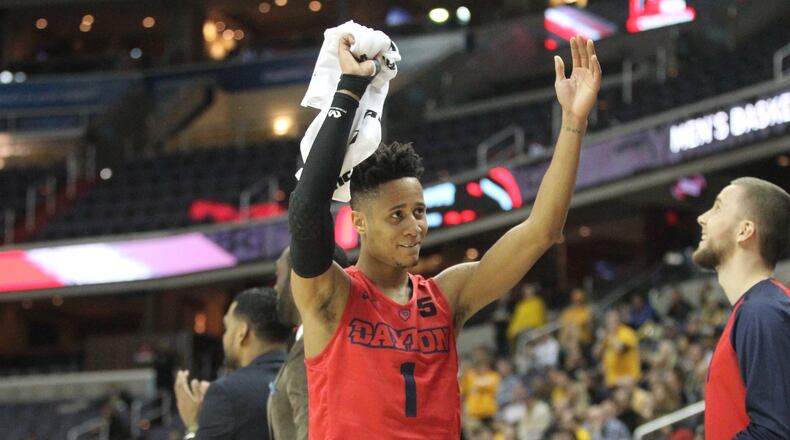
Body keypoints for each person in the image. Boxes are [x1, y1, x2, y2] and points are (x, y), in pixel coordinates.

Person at [287, 33, 601, 438]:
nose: (414, 226)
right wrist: (348, 89)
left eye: (418, 212)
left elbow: (542, 231)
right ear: (359, 222)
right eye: (396, 215)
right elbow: (306, 210)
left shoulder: (446, 296)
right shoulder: (331, 295)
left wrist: (574, 123)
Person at [692, 177, 790, 439]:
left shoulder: (762, 312)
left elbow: (774, 433)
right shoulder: (758, 308)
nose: (702, 217)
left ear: (744, 231)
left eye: (718, 207)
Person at [174, 287, 290, 440]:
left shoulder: (226, 393)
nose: (224, 336)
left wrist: (194, 424)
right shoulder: (308, 379)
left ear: (242, 332)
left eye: (227, 327)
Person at [267, 246, 349, 440]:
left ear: (300, 278)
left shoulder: (309, 351)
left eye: (279, 275)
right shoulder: (346, 338)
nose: (275, 287)